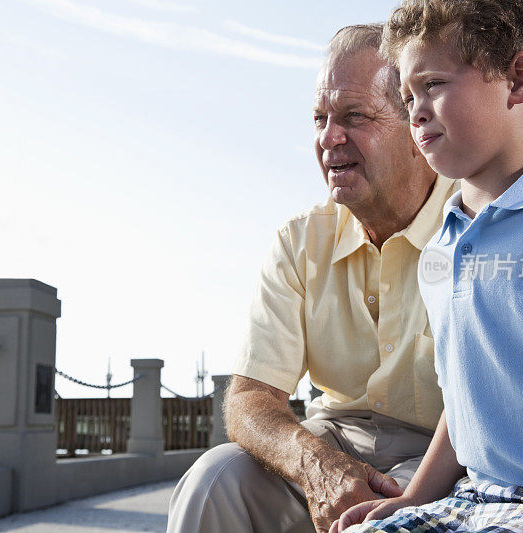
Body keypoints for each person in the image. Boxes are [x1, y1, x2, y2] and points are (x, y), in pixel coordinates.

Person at [331, 1, 523, 532]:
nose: (416, 111)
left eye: (433, 84)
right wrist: (412, 500)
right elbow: (468, 402)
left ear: (518, 81)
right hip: (472, 499)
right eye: (407, 96)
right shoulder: (439, 252)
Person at [166, 24, 458, 533]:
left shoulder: (477, 225)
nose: (329, 138)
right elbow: (250, 400)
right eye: (320, 119)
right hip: (331, 438)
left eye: (354, 116)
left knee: (383, 523)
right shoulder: (298, 241)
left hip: (449, 452)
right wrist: (314, 463)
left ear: (416, 124)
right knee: (213, 481)